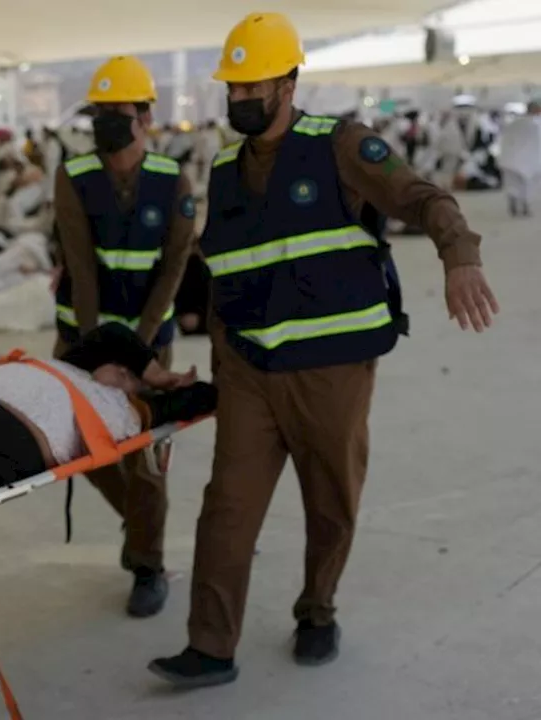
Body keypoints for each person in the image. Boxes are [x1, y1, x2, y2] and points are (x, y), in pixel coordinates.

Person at [149, 12, 500, 688]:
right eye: (234, 88)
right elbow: (223, 277)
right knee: (227, 507)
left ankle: (317, 610)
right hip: (251, 370)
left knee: (329, 501)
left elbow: (423, 199)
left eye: (255, 87)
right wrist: (217, 363)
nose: (242, 99)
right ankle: (211, 646)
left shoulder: (340, 145)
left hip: (332, 369)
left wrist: (461, 257)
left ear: (289, 83)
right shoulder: (223, 172)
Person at [51, 54, 195, 618]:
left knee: (146, 460)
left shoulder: (170, 179)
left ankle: (147, 565)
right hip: (82, 340)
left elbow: (175, 263)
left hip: (150, 339)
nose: (108, 120)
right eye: (100, 111)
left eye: (119, 111)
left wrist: (138, 351)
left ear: (145, 116)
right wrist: (101, 354)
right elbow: (80, 269)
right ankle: (139, 524)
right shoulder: (74, 177)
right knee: (74, 444)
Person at [0, 323, 214, 566]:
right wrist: (154, 373)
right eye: (119, 367)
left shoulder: (128, 410)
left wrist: (160, 384)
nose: (122, 374)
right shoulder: (70, 365)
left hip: (8, 436)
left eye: (128, 376)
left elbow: (202, 397)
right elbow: (113, 334)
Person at [498, 101, 541, 217]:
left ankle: (514, 206)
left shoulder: (514, 123)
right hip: (528, 160)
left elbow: (504, 141)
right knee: (527, 185)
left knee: (512, 185)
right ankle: (525, 207)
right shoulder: (535, 124)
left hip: (510, 160)